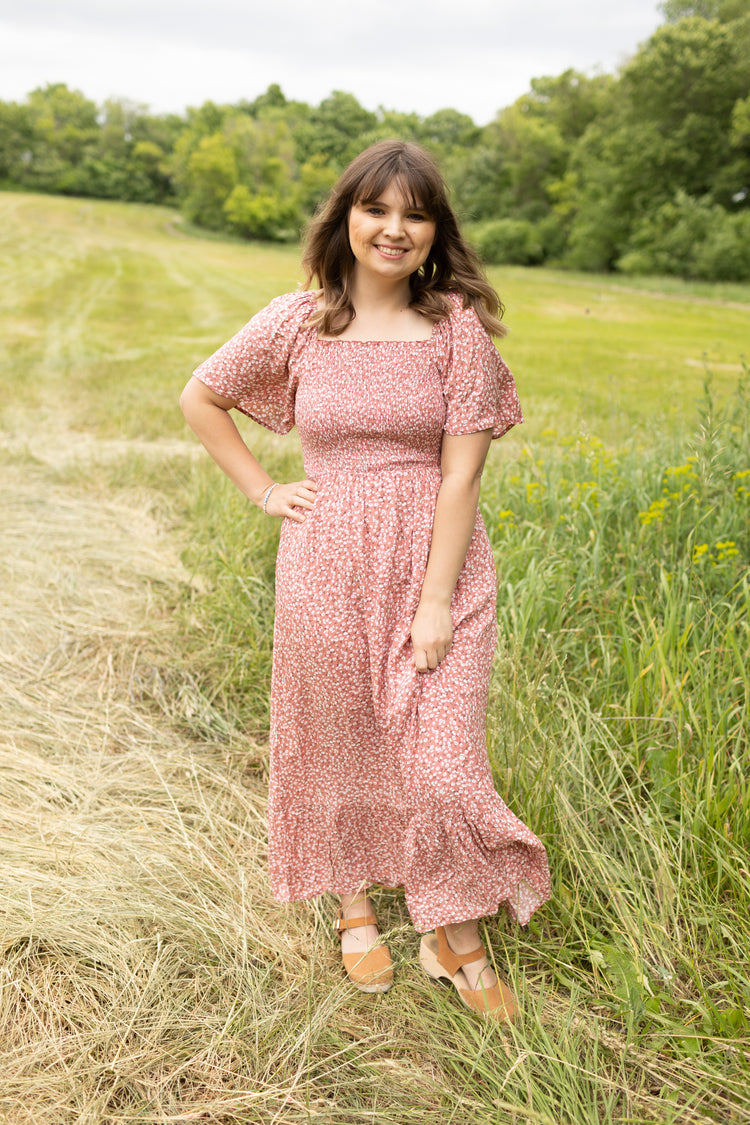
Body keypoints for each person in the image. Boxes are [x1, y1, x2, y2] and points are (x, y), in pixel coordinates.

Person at [180, 140, 550, 1022]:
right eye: (376, 209)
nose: (394, 229)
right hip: (326, 559)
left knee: (444, 761)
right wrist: (265, 489)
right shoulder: (298, 321)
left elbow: (461, 477)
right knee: (337, 735)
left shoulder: (455, 327)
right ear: (346, 216)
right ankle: (354, 907)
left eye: (414, 214)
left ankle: (451, 930)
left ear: (434, 233)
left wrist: (433, 600)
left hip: (438, 569)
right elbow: (202, 395)